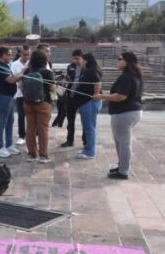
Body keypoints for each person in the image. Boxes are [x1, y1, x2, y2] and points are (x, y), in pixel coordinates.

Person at [94, 51, 143, 180]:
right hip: (133, 111)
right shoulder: (136, 75)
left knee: (124, 143)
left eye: (120, 59)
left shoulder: (127, 76)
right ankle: (122, 166)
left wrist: (102, 96)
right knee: (121, 142)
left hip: (124, 113)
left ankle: (123, 171)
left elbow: (121, 96)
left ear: (126, 62)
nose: (118, 61)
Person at [0, 47, 28, 158]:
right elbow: (11, 80)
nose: (10, 57)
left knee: (10, 122)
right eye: (9, 54)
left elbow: (13, 77)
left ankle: (9, 144)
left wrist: (21, 74)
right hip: (3, 97)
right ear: (3, 55)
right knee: (2, 122)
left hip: (9, 97)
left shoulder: (5, 66)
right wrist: (22, 72)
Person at [24, 49, 55, 163]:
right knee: (43, 129)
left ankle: (32, 154)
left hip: (28, 103)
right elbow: (52, 89)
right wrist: (54, 98)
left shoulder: (27, 71)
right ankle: (43, 155)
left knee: (30, 128)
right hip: (43, 103)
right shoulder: (47, 72)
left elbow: (22, 86)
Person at [75, 53, 103, 159]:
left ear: (86, 61)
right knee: (89, 127)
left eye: (81, 60)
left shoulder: (91, 71)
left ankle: (90, 152)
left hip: (89, 103)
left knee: (89, 128)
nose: (80, 62)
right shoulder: (87, 71)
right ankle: (88, 148)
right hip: (87, 103)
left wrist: (96, 94)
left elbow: (98, 82)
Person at [61, 49, 86, 148]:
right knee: (70, 120)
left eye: (77, 59)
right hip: (71, 96)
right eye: (74, 59)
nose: (75, 61)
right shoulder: (70, 67)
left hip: (82, 98)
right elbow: (68, 80)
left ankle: (85, 141)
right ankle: (69, 140)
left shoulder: (86, 68)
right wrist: (65, 81)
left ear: (82, 58)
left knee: (85, 120)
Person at [11, 45, 31, 146]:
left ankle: (31, 135)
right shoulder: (14, 64)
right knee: (21, 115)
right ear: (20, 54)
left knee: (31, 116)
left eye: (28, 55)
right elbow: (14, 78)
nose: (26, 57)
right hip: (20, 93)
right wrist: (22, 74)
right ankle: (21, 136)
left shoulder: (32, 63)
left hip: (31, 94)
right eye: (24, 55)